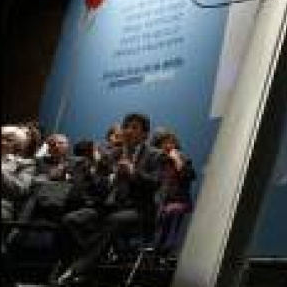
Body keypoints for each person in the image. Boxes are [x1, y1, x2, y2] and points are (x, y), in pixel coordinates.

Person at [56, 113, 163, 286]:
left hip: (138, 210)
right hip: (107, 206)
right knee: (70, 220)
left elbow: (156, 183)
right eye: (126, 126)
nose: (128, 131)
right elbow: (96, 186)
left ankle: (77, 270)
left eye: (134, 127)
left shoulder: (155, 155)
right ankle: (82, 268)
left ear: (145, 134)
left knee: (114, 220)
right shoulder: (112, 154)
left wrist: (133, 173)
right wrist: (107, 177)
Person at [150, 129, 196, 257]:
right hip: (159, 204)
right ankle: (156, 252)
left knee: (171, 211)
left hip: (180, 202)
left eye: (171, 142)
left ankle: (166, 250)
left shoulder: (182, 159)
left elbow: (190, 176)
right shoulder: (155, 163)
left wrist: (177, 160)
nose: (169, 145)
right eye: (164, 143)